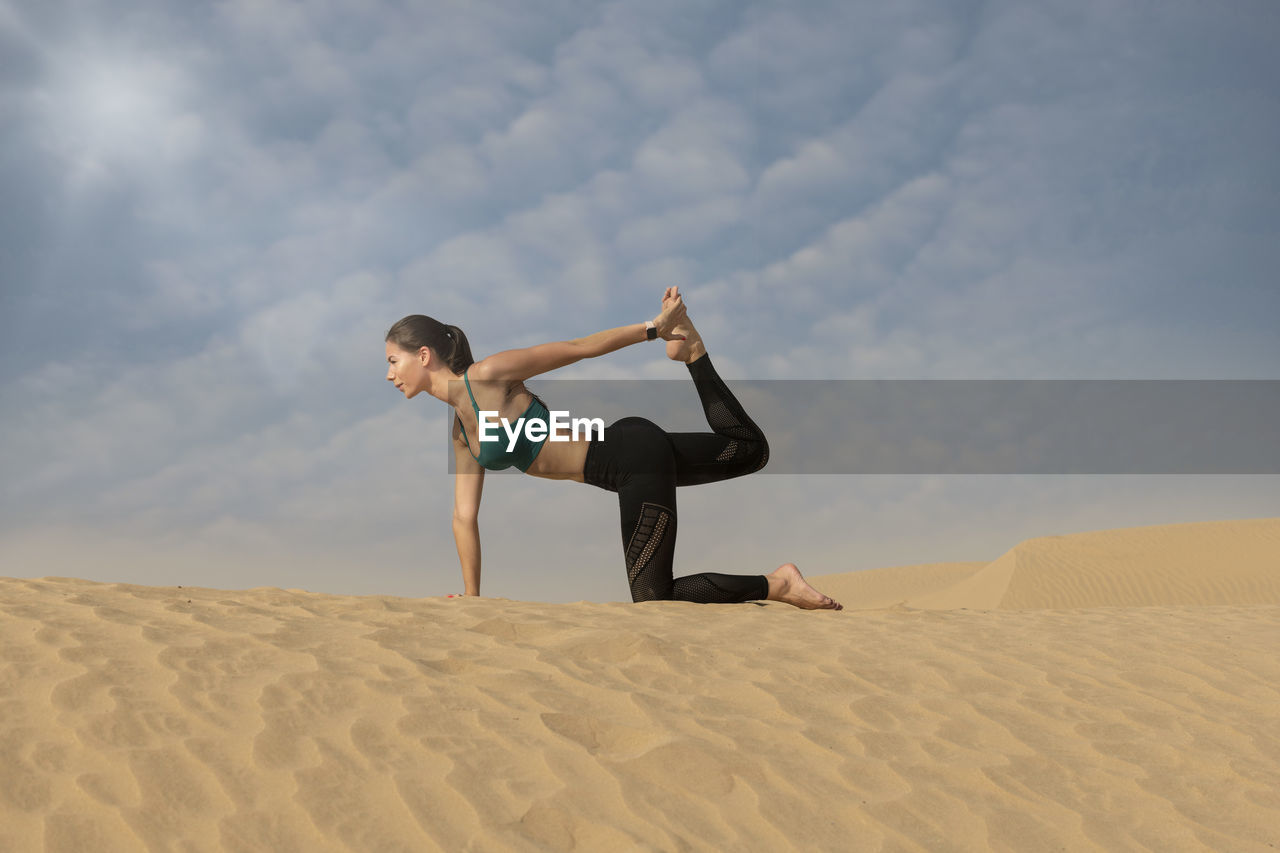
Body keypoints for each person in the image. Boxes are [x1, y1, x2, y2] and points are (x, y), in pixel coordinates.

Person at [384, 287, 842, 610]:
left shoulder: (487, 376)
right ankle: (695, 352)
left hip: (628, 454)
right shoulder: (462, 435)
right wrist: (472, 597)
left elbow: (576, 348)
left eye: (393, 361)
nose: (390, 374)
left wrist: (653, 328)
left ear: (423, 355)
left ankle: (779, 585)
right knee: (750, 451)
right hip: (628, 463)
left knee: (653, 598)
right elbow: (464, 517)